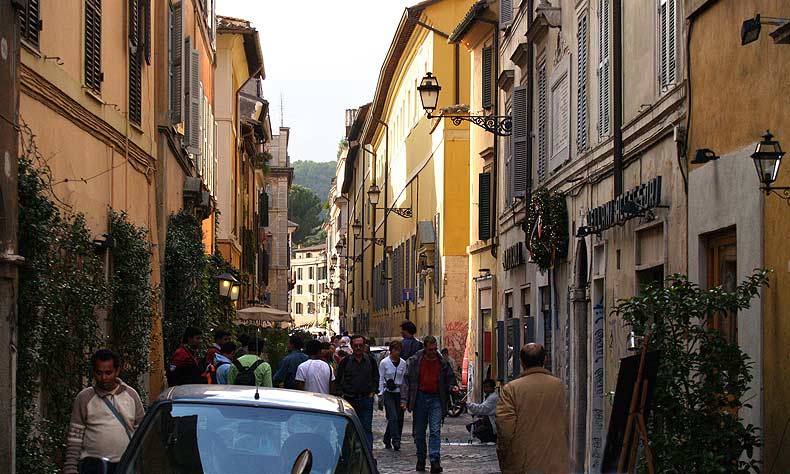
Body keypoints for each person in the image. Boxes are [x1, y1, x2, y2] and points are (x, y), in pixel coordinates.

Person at [64, 349, 144, 474]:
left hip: (124, 465)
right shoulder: (84, 398)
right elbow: (75, 436)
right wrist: (70, 467)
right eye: (99, 373)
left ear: (117, 371)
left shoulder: (131, 396)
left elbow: (142, 433)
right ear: (93, 372)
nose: (104, 378)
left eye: (108, 373)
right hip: (92, 466)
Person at [496, 343, 570, 474]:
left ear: (522, 362)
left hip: (524, 462)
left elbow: (505, 430)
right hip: (556, 461)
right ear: (545, 360)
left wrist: (504, 456)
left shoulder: (512, 389)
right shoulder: (558, 386)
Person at [401, 335, 458, 473]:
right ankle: (421, 458)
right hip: (420, 397)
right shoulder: (415, 361)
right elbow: (407, 381)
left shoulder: (442, 363)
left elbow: (449, 378)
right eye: (430, 349)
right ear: (425, 348)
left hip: (436, 398)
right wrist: (404, 399)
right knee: (419, 433)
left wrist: (452, 387)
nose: (433, 352)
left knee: (435, 430)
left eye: (435, 349)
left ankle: (434, 460)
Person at [336, 335, 379, 452]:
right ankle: (347, 455)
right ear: (351, 346)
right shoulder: (345, 362)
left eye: (361, 345)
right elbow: (338, 380)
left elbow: (376, 378)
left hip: (366, 399)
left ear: (364, 346)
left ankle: (367, 455)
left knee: (366, 429)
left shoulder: (370, 361)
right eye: (356, 346)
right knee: (348, 429)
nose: (358, 348)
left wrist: (372, 392)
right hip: (350, 400)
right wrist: (342, 395)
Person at [379, 340, 407, 451]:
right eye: (394, 350)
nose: (396, 352)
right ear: (391, 350)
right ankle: (396, 440)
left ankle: (387, 437)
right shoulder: (384, 363)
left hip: (399, 393)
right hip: (388, 393)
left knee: (399, 418)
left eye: (398, 350)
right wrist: (380, 393)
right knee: (393, 416)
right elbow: (381, 378)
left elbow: (404, 380)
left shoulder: (403, 363)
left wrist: (405, 395)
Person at [466, 378, 498, 443]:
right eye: (484, 387)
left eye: (487, 387)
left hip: (492, 424)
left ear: (492, 388)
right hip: (486, 421)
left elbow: (482, 408)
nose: (485, 389)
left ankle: (491, 438)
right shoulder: (488, 396)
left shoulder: (493, 398)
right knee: (470, 427)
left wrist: (469, 405)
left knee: (477, 431)